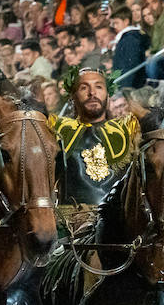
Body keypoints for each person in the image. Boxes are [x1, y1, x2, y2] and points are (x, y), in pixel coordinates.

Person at [51, 58, 141, 216]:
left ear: (108, 94)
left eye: (99, 87)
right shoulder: (57, 129)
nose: (92, 93)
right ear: (72, 96)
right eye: (84, 88)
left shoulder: (129, 128)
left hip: (119, 224)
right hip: (72, 226)